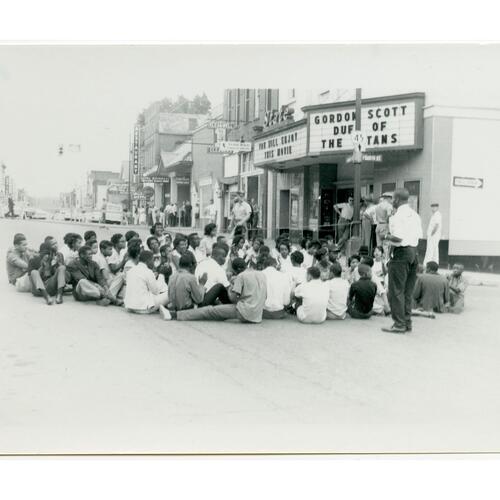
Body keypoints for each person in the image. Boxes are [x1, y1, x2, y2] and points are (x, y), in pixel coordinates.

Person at [161, 258, 267, 323]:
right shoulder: (261, 275)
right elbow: (265, 296)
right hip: (257, 315)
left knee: (209, 311)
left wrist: (230, 285)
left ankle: (173, 315)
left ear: (237, 270)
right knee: (218, 309)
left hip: (244, 312)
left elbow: (232, 298)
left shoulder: (241, 276)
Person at [382, 188, 423, 333]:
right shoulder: (415, 215)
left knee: (396, 291)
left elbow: (398, 238)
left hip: (401, 253)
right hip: (414, 253)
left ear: (397, 199)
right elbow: (418, 235)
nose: (392, 201)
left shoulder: (398, 216)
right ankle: (407, 322)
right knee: (407, 291)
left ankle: (399, 324)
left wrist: (385, 236)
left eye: (392, 198)